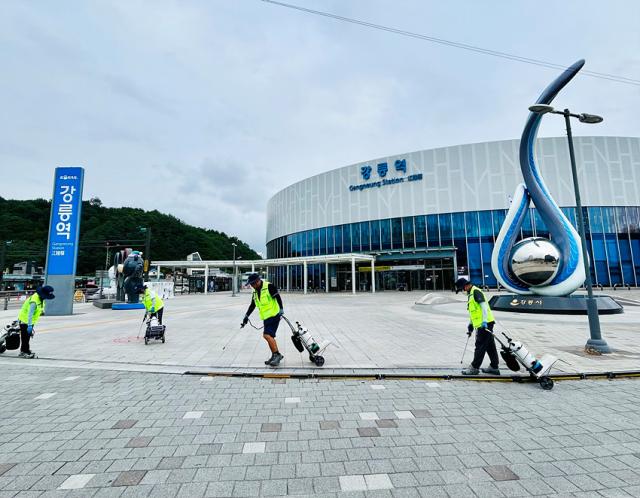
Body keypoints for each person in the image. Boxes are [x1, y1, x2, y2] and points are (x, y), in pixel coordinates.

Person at [455, 277, 500, 375]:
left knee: (479, 346)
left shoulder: (476, 292)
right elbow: (474, 312)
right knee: (489, 346)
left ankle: (474, 368)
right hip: (482, 324)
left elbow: (484, 307)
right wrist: (471, 325)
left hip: (485, 324)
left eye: (461, 289)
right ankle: (494, 367)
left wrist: (484, 322)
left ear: (466, 286)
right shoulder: (471, 294)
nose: (462, 291)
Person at [241, 273, 284, 366]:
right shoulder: (255, 292)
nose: (251, 286)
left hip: (274, 314)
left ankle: (277, 355)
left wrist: (281, 309)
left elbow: (278, 297)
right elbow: (252, 305)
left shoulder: (269, 286)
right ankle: (275, 355)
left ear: (257, 281)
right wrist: (246, 316)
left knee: (267, 335)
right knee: (269, 336)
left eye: (252, 284)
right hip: (266, 317)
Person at [17, 285, 55, 359]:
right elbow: (30, 314)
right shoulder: (34, 301)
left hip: (30, 321)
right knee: (25, 337)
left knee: (27, 337)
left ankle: (26, 350)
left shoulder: (40, 298)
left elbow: (39, 309)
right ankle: (23, 352)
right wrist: (30, 325)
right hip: (25, 321)